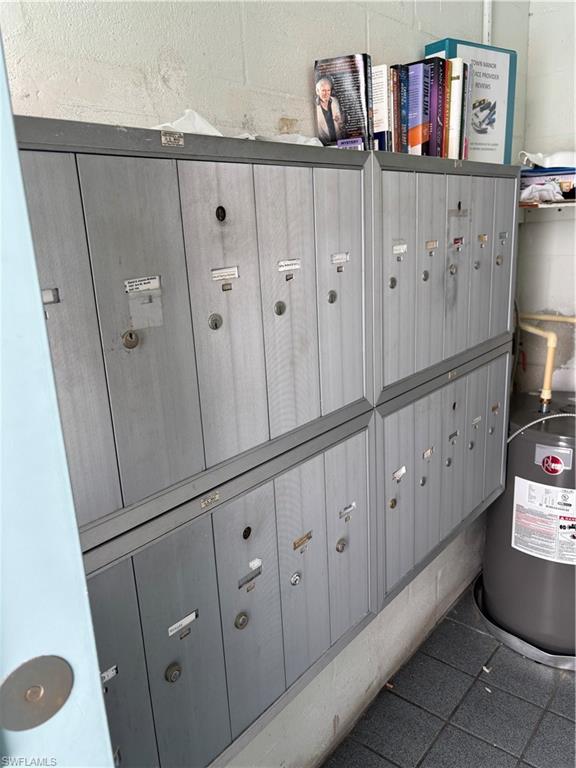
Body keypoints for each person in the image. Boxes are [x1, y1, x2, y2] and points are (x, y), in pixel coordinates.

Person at [315, 77, 345, 144]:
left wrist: (340, 120)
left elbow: (341, 123)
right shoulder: (314, 106)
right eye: (323, 90)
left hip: (339, 141)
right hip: (324, 144)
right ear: (317, 91)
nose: (326, 93)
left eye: (328, 90)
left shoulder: (335, 101)